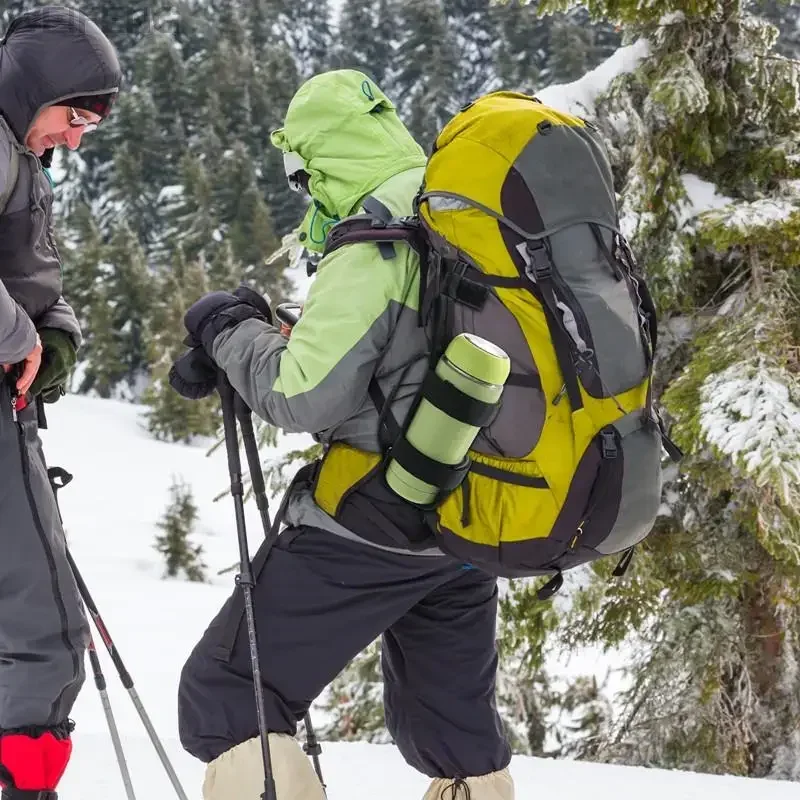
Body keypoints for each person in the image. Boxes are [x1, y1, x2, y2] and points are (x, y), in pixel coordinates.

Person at [174, 69, 514, 800]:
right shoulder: (457, 209)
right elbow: (410, 349)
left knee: (230, 694)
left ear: (320, 159)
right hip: (472, 519)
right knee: (455, 732)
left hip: (379, 517)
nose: (306, 195)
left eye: (304, 177)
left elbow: (302, 397)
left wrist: (228, 328)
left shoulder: (376, 236)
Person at [0, 6, 121, 799]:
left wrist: (54, 334)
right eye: (73, 115)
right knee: (42, 621)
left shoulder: (15, 155)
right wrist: (19, 337)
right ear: (29, 88)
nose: (76, 137)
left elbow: (35, 272)